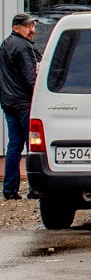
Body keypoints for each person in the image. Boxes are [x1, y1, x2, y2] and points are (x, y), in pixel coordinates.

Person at [2, 14, 39, 200]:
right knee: (32, 144)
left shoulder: (6, 44)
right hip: (25, 102)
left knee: (14, 145)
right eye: (28, 26)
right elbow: (31, 77)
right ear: (16, 27)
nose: (32, 30)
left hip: (9, 102)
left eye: (32, 26)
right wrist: (40, 95)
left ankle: (9, 189)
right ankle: (35, 187)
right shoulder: (24, 47)